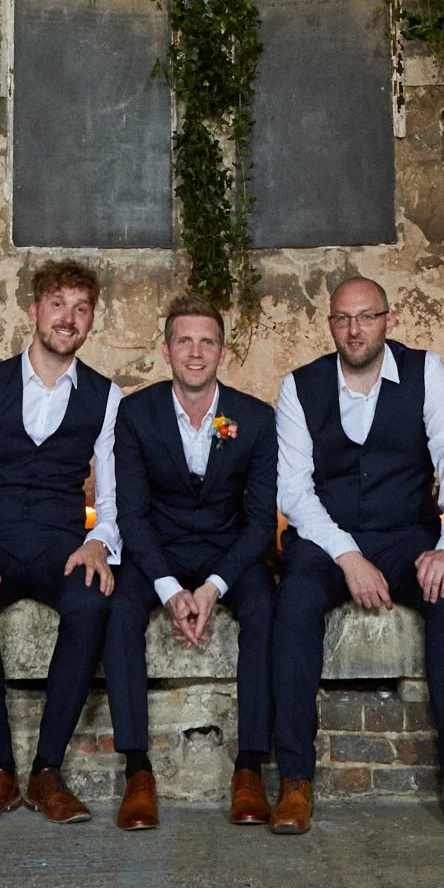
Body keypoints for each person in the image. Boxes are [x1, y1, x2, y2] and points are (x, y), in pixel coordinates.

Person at [270, 275, 444, 836]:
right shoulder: (301, 386)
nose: (354, 328)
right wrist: (347, 555)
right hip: (327, 538)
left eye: (366, 317)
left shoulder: (425, 372)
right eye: (343, 318)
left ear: (389, 320)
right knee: (292, 603)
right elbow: (294, 491)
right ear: (331, 325)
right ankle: (294, 781)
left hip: (406, 533)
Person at [0, 260, 122, 825]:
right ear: (34, 311)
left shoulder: (106, 397)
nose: (69, 318)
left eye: (81, 308)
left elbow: (114, 499)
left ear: (91, 321)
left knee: (92, 602)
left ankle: (46, 771)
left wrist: (99, 543)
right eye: (58, 305)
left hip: (60, 544)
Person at [104, 297, 278, 832]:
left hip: (230, 551)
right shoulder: (136, 413)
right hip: (157, 549)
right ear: (166, 350)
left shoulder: (254, 418)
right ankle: (137, 771)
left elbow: (259, 519)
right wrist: (166, 586)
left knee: (268, 607)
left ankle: (249, 767)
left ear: (222, 351)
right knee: (117, 611)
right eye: (185, 341)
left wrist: (213, 587)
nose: (195, 352)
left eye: (207, 342)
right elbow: (130, 513)